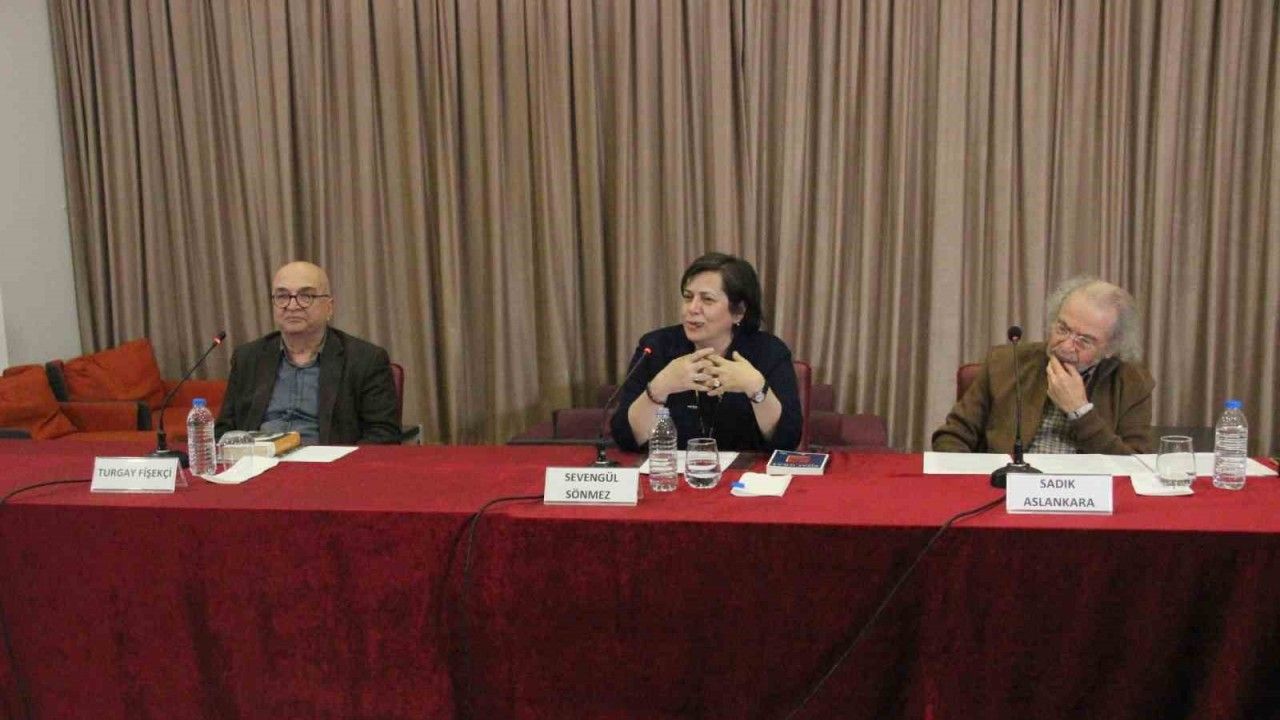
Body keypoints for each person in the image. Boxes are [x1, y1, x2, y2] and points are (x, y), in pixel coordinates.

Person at [932, 276, 1154, 454]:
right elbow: (951, 437)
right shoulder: (1005, 363)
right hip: (1008, 487)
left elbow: (1134, 467)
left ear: (1111, 348)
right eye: (1062, 329)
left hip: (1084, 492)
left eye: (1084, 340)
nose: (1066, 345)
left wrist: (1080, 412)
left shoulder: (1132, 383)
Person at [610, 252, 803, 453]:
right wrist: (660, 388)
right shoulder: (656, 347)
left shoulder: (769, 352)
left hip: (746, 472)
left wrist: (756, 387)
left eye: (707, 299)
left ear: (738, 311)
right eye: (688, 297)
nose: (692, 308)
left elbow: (787, 441)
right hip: (670, 470)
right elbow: (625, 438)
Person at [216, 261, 401, 445]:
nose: (292, 306)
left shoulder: (365, 359)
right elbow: (224, 430)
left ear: (329, 307)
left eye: (305, 296)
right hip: (258, 459)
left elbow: (383, 435)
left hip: (327, 461)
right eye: (282, 296)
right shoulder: (248, 358)